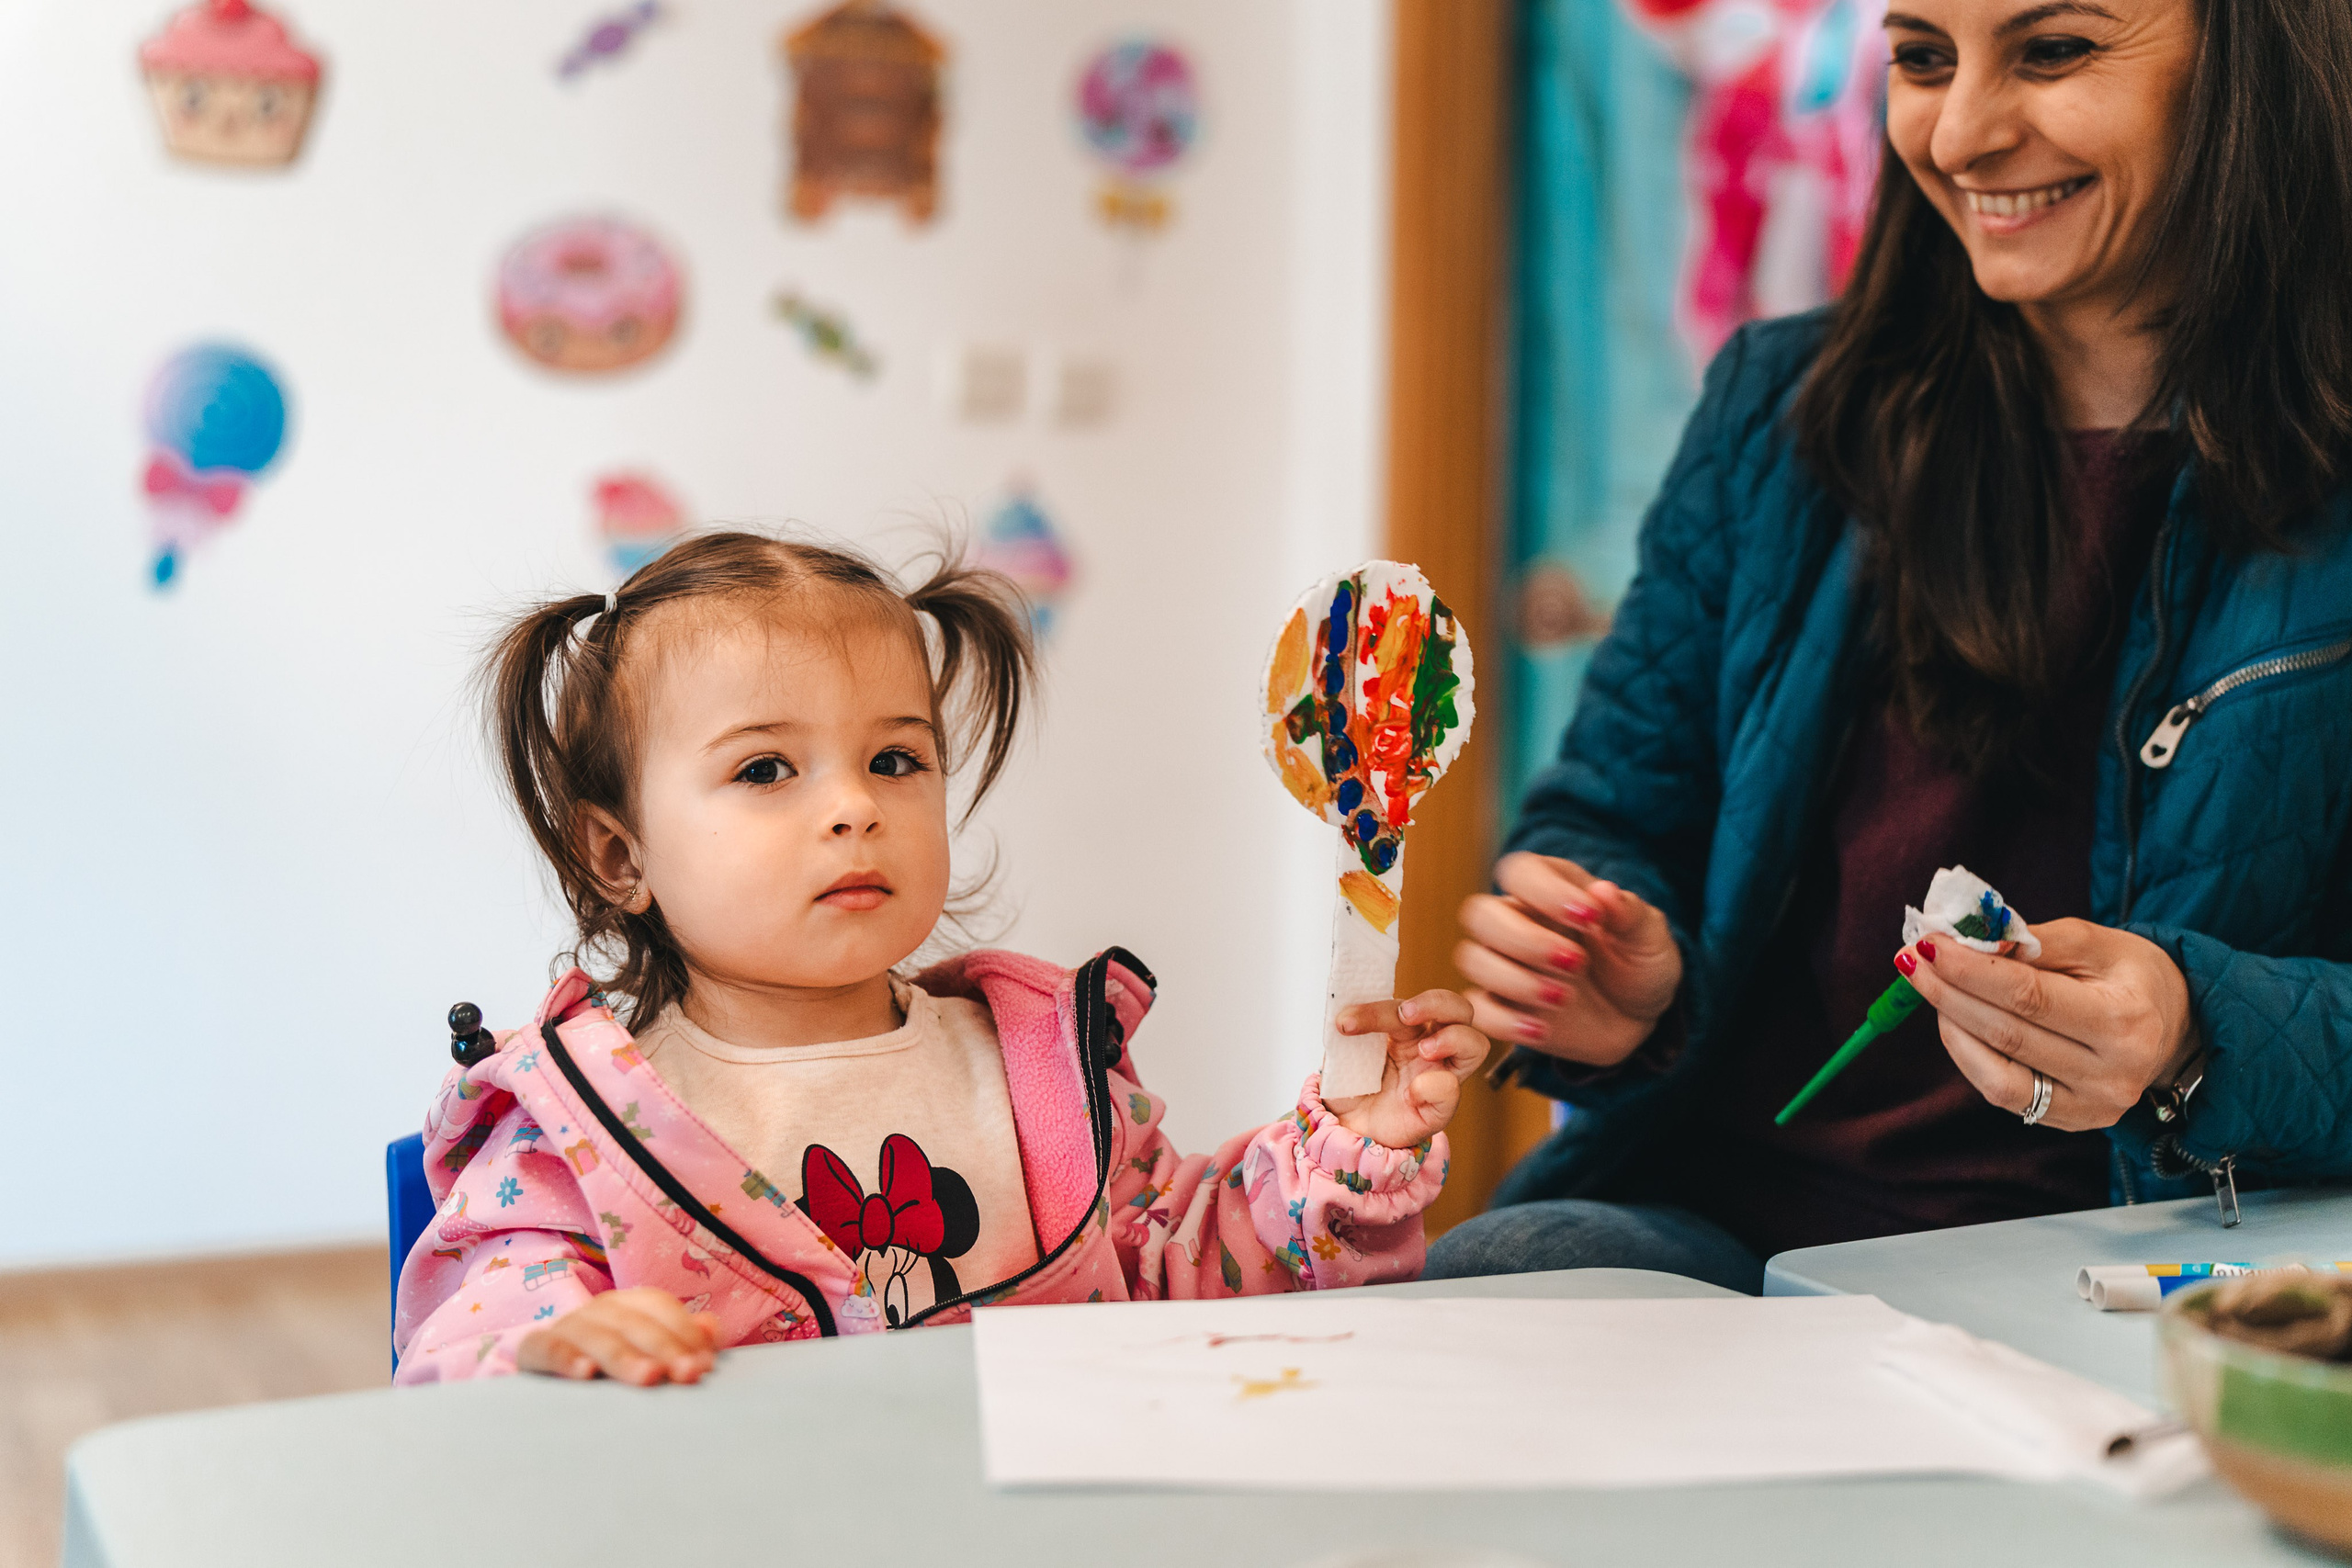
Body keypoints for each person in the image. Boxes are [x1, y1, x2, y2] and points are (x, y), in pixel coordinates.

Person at [1432, 0, 2352, 1292]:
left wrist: (2197, 1031)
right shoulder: (1783, 413)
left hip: (2148, 1267)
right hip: (1732, 1224)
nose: (1963, 133)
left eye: (2053, 51)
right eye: (1923, 59)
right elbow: (1609, 812)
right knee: (1514, 1270)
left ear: (2256, 59)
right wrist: (1613, 970)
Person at [393, 532, 1487, 1383]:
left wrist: (1347, 1141)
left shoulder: (1038, 1068)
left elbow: (1179, 1269)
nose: (855, 808)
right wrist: (561, 1345)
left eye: (895, 759)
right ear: (621, 854)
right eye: (768, 769)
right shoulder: (579, 1124)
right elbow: (472, 1335)